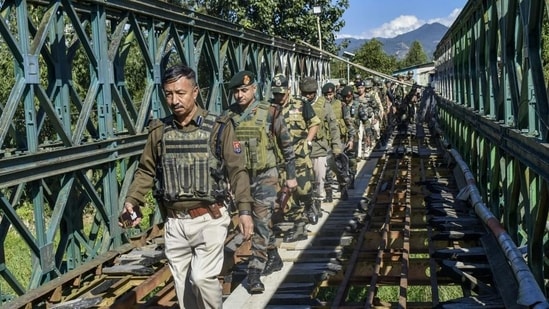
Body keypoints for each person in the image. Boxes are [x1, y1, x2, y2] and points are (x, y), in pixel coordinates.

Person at [120, 64, 254, 309]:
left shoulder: (219, 126)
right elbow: (146, 170)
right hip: (174, 223)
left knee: (202, 278)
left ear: (196, 92)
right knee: (183, 288)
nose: (174, 100)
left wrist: (244, 210)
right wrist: (132, 201)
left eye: (180, 93)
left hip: (210, 218)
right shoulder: (159, 130)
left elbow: (238, 170)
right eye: (168, 94)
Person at [224, 70, 298, 294]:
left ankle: (254, 271)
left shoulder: (270, 112)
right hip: (242, 177)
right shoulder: (229, 117)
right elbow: (222, 151)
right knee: (258, 220)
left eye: (244, 90)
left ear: (254, 89)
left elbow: (287, 145)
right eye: (236, 91)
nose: (239, 95)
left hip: (267, 174)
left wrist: (291, 176)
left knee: (262, 221)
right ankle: (273, 256)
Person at [271, 74, 320, 243]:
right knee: (287, 194)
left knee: (304, 189)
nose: (279, 97)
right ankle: (299, 225)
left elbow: (314, 123)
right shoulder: (270, 109)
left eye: (282, 94)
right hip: (281, 159)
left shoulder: (301, 105)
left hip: (299, 156)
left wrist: (308, 141)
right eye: (276, 94)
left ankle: (310, 203)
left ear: (289, 90)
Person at [300, 77, 342, 224]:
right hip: (303, 149)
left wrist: (336, 146)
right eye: (305, 93)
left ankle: (316, 204)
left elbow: (333, 126)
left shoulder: (324, 105)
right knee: (304, 181)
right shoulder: (298, 104)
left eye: (310, 93)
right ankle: (307, 207)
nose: (307, 96)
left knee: (319, 180)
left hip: (320, 148)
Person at [321, 82, 353, 202]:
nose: (328, 97)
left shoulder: (341, 105)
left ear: (334, 93)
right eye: (326, 95)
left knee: (339, 167)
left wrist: (351, 138)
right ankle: (328, 193)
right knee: (327, 168)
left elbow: (348, 122)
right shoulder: (321, 105)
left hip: (339, 140)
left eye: (330, 94)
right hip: (325, 141)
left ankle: (343, 189)